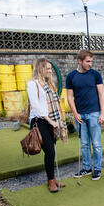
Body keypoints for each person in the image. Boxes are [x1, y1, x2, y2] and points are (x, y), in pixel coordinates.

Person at [27, 58, 68, 193]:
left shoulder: (50, 84)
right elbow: (35, 105)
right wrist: (50, 121)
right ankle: (50, 181)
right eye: (47, 68)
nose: (50, 71)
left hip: (52, 120)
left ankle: (54, 179)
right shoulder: (33, 84)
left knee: (52, 151)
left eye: (51, 69)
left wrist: (57, 121)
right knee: (49, 151)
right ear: (40, 68)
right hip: (40, 121)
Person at [66, 50, 104, 180]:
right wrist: (75, 113)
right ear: (79, 61)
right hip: (80, 116)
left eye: (91, 61)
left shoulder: (95, 75)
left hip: (94, 114)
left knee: (96, 144)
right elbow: (69, 97)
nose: (90, 64)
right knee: (84, 144)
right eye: (88, 61)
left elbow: (101, 94)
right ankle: (87, 168)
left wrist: (102, 113)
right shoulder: (71, 76)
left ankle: (97, 169)